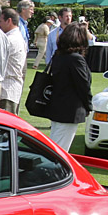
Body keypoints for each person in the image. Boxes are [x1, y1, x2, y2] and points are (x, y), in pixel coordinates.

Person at [46, 22, 93, 153]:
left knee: (56, 143)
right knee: (60, 149)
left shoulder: (58, 56)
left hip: (58, 106)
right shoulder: (75, 59)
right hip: (69, 109)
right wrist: (89, 105)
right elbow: (83, 85)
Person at [0, 7, 27, 114]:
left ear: (9, 21)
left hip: (7, 90)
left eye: (1, 21)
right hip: (11, 89)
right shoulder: (17, 37)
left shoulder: (10, 40)